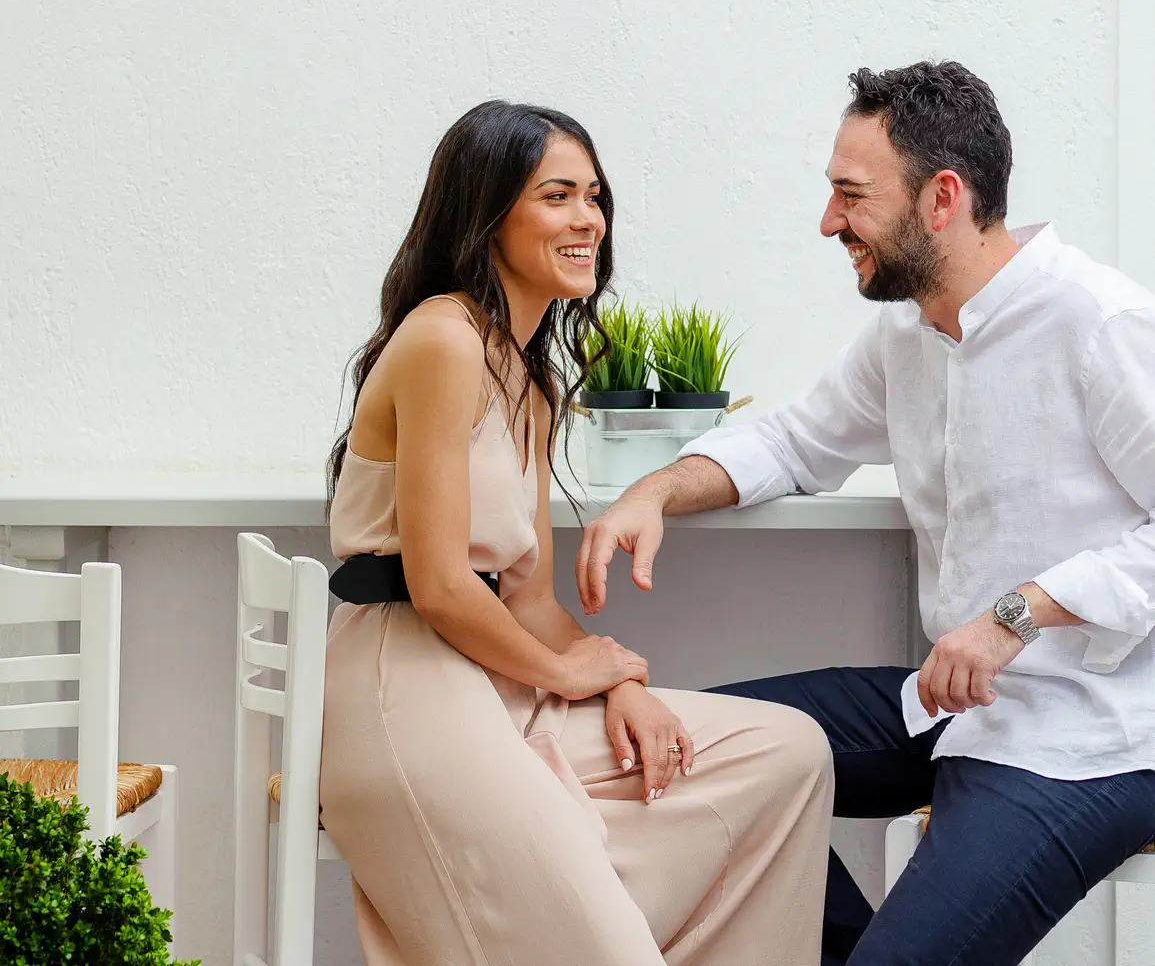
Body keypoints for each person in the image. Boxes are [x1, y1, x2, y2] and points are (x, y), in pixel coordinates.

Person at [576, 61, 1155, 966]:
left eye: (851, 195)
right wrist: (654, 490)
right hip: (946, 705)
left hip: (1090, 738)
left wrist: (1014, 615)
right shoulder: (905, 333)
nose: (828, 221)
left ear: (941, 198)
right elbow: (792, 442)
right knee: (672, 757)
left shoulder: (1099, 322)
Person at [318, 99, 833, 966]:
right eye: (556, 196)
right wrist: (563, 674)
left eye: (593, 197)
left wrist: (619, 684)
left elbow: (525, 596)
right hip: (402, 688)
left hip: (496, 680)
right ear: (486, 216)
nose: (587, 219)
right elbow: (439, 587)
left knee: (787, 750)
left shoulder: (528, 380)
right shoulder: (442, 340)